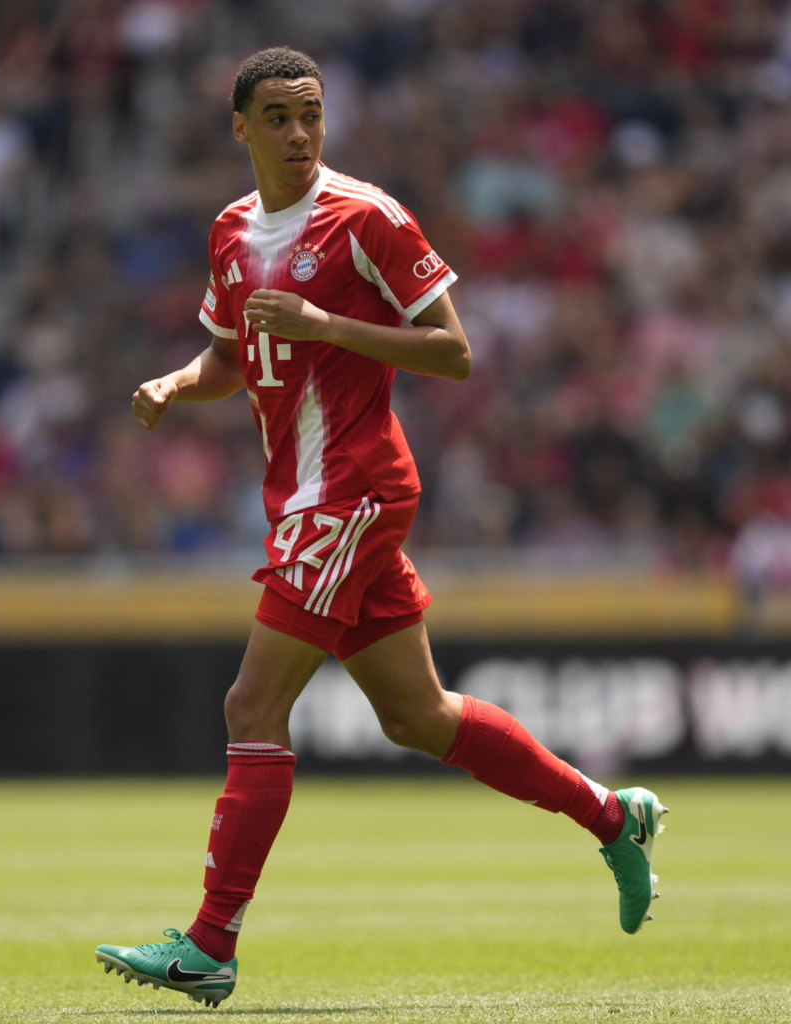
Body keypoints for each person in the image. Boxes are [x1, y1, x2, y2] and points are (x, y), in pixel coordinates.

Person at [96, 47, 667, 1009]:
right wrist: (175, 384)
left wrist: (327, 324)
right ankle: (615, 817)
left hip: (352, 490)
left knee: (250, 707)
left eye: (311, 114)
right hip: (308, 497)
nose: (299, 133)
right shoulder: (232, 231)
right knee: (419, 717)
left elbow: (455, 352)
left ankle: (210, 945)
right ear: (240, 129)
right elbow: (230, 356)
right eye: (277, 118)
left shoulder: (368, 217)